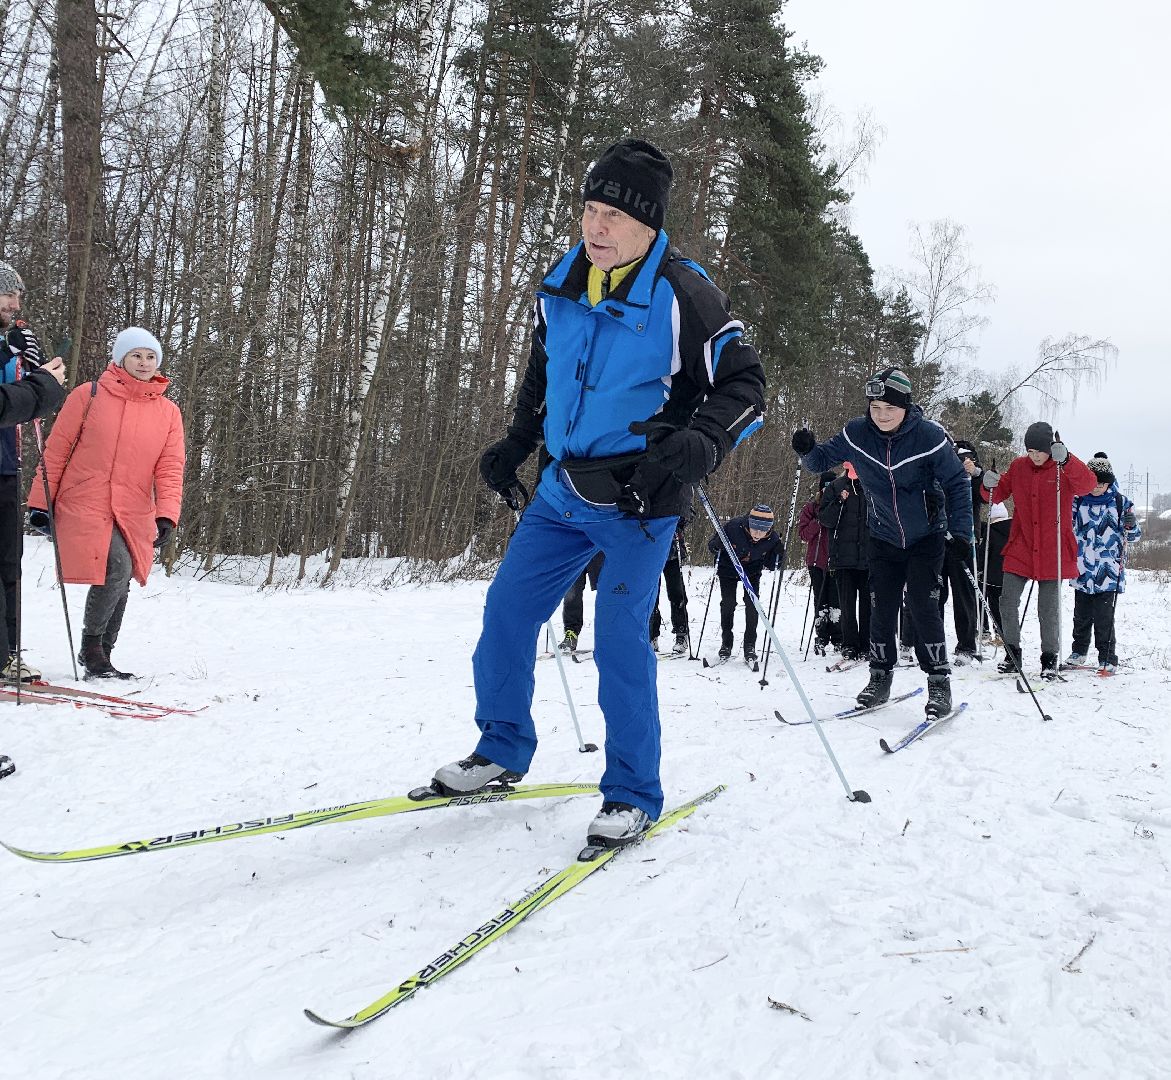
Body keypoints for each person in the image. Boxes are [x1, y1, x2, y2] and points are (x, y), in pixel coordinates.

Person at [431, 138, 765, 848]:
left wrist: (699, 444)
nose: (595, 226)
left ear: (647, 225)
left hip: (639, 501)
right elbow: (541, 372)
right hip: (560, 492)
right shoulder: (563, 282)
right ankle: (500, 749)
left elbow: (745, 386)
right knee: (506, 615)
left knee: (618, 642)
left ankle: (631, 792)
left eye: (611, 213)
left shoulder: (683, 291)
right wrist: (518, 441)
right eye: (588, 208)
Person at [792, 367, 973, 720]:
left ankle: (938, 681)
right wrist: (807, 450)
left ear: (906, 406)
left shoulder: (930, 437)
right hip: (883, 536)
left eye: (890, 408)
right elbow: (821, 461)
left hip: (925, 537)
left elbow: (957, 483)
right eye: (876, 408)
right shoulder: (857, 434)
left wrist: (962, 534)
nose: (882, 415)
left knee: (923, 607)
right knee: (881, 608)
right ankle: (880, 677)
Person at [28, 327, 185, 679]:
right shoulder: (89, 395)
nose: (144, 363)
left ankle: (103, 652)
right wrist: (40, 502)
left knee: (124, 572)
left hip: (133, 507)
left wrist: (167, 515)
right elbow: (57, 449)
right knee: (116, 566)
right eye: (136, 355)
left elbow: (170, 467)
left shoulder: (168, 412)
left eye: (150, 356)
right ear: (120, 358)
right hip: (84, 499)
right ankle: (92, 649)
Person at [979, 421, 1095, 679]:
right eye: (1030, 451)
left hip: (1052, 547)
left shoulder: (1062, 468)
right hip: (1021, 544)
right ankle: (1012, 654)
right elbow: (996, 494)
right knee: (1007, 601)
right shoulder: (1019, 466)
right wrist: (987, 484)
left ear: (1050, 448)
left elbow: (1087, 485)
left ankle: (1049, 658)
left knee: (1047, 609)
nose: (1034, 456)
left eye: (1039, 451)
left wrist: (1067, 460)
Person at [0, 261, 68, 683]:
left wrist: (24, 364)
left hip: (6, 463)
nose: (14, 303)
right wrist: (43, 384)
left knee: (10, 564)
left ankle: (7, 653)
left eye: (17, 296)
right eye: (7, 294)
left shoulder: (7, 342)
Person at [1066, 453, 1141, 674]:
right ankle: (1079, 651)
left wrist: (1131, 525)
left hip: (1108, 571)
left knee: (1104, 617)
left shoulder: (1121, 503)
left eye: (1102, 482)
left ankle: (1108, 657)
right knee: (1081, 615)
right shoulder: (1076, 501)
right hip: (1082, 569)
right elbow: (1066, 529)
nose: (1097, 487)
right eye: (1094, 481)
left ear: (1108, 482)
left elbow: (1135, 536)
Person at [707, 503, 784, 664]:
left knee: (752, 604)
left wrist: (779, 556)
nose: (758, 534)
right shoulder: (733, 527)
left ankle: (750, 645)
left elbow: (771, 565)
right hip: (728, 569)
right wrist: (717, 546)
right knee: (728, 604)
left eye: (763, 531)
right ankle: (726, 643)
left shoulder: (772, 539)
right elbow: (712, 546)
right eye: (755, 529)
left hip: (751, 572)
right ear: (749, 523)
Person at [956, 440, 1012, 643]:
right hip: (952, 538)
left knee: (973, 595)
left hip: (970, 538)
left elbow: (984, 494)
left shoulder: (976, 476)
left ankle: (978, 635)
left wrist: (977, 474)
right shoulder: (946, 469)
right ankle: (985, 630)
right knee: (976, 595)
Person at [817, 463, 870, 664]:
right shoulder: (836, 486)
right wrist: (840, 501)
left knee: (868, 606)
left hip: (868, 556)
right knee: (847, 605)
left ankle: (867, 644)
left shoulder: (873, 483)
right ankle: (849, 645)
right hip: (842, 557)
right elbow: (825, 519)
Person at [939, 439, 981, 663]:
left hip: (962, 539)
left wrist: (976, 472)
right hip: (936, 538)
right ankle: (933, 643)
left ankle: (966, 645)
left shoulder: (968, 459)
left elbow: (982, 493)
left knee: (963, 594)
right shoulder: (934, 462)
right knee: (935, 594)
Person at [797, 472, 840, 656]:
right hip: (816, 562)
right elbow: (803, 534)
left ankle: (839, 637)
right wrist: (818, 521)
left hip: (837, 561)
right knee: (820, 601)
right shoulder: (811, 508)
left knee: (837, 601)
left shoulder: (842, 506)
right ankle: (821, 636)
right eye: (825, 488)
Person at [649, 520, 690, 655]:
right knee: (651, 595)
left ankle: (681, 633)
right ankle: (651, 635)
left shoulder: (676, 497)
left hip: (672, 550)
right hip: (650, 548)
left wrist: (680, 519)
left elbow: (688, 512)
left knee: (677, 594)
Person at [559, 551, 604, 653]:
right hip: (574, 551)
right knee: (571, 593)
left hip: (599, 547)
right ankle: (571, 634)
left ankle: (609, 636)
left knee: (608, 593)